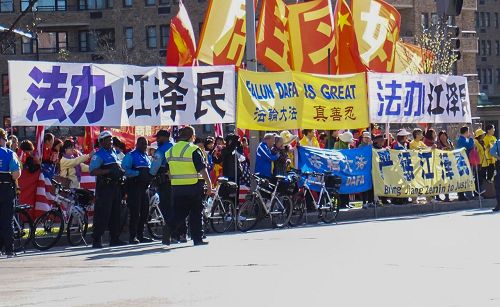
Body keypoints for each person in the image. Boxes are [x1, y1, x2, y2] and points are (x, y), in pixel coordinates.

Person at [164, 126, 214, 246]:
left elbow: (167, 170)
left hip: (177, 187)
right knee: (196, 213)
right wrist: (209, 185)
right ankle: (197, 239)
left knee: (179, 213)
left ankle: (169, 228)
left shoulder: (170, 150)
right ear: (192, 136)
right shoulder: (193, 149)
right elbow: (202, 170)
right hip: (193, 186)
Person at [89, 131, 127, 248]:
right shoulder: (98, 155)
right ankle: (97, 240)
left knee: (116, 213)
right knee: (102, 213)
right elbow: (93, 171)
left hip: (116, 187)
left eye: (111, 139)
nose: (110, 142)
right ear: (101, 142)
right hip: (104, 187)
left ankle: (114, 238)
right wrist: (109, 171)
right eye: (107, 139)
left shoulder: (114, 153)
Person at [122, 137, 154, 244]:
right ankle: (133, 236)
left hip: (144, 188)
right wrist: (138, 174)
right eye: (143, 144)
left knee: (145, 213)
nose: (145, 146)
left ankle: (141, 235)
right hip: (134, 187)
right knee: (135, 213)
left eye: (146, 144)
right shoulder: (131, 155)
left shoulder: (146, 157)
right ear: (137, 144)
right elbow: (124, 169)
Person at [149, 130, 175, 245]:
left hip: (165, 183)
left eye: (158, 138)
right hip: (179, 182)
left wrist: (149, 176)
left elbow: (154, 168)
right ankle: (181, 234)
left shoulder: (161, 150)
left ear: (164, 137)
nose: (157, 140)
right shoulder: (175, 147)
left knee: (166, 208)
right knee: (177, 208)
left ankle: (170, 234)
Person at [0, 128, 21, 257]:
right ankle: (9, 249)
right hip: (6, 189)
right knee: (7, 220)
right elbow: (15, 174)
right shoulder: (9, 153)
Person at [456, 126, 475, 201]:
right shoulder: (461, 140)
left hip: (464, 160)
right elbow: (469, 146)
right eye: (468, 132)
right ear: (466, 132)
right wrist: (471, 139)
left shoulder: (463, 139)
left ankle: (465, 194)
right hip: (462, 161)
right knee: (462, 178)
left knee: (465, 177)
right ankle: (461, 195)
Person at [437, 131, 454, 202]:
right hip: (441, 163)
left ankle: (447, 196)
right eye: (441, 136)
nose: (443, 137)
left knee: (449, 180)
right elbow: (437, 152)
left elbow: (453, 150)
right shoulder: (438, 144)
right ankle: (439, 196)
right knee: (442, 180)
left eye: (444, 135)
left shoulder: (449, 142)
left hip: (449, 163)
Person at [489, 138, 500, 211]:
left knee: (498, 186)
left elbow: (492, 152)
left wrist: (498, 158)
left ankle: (499, 205)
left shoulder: (498, 142)